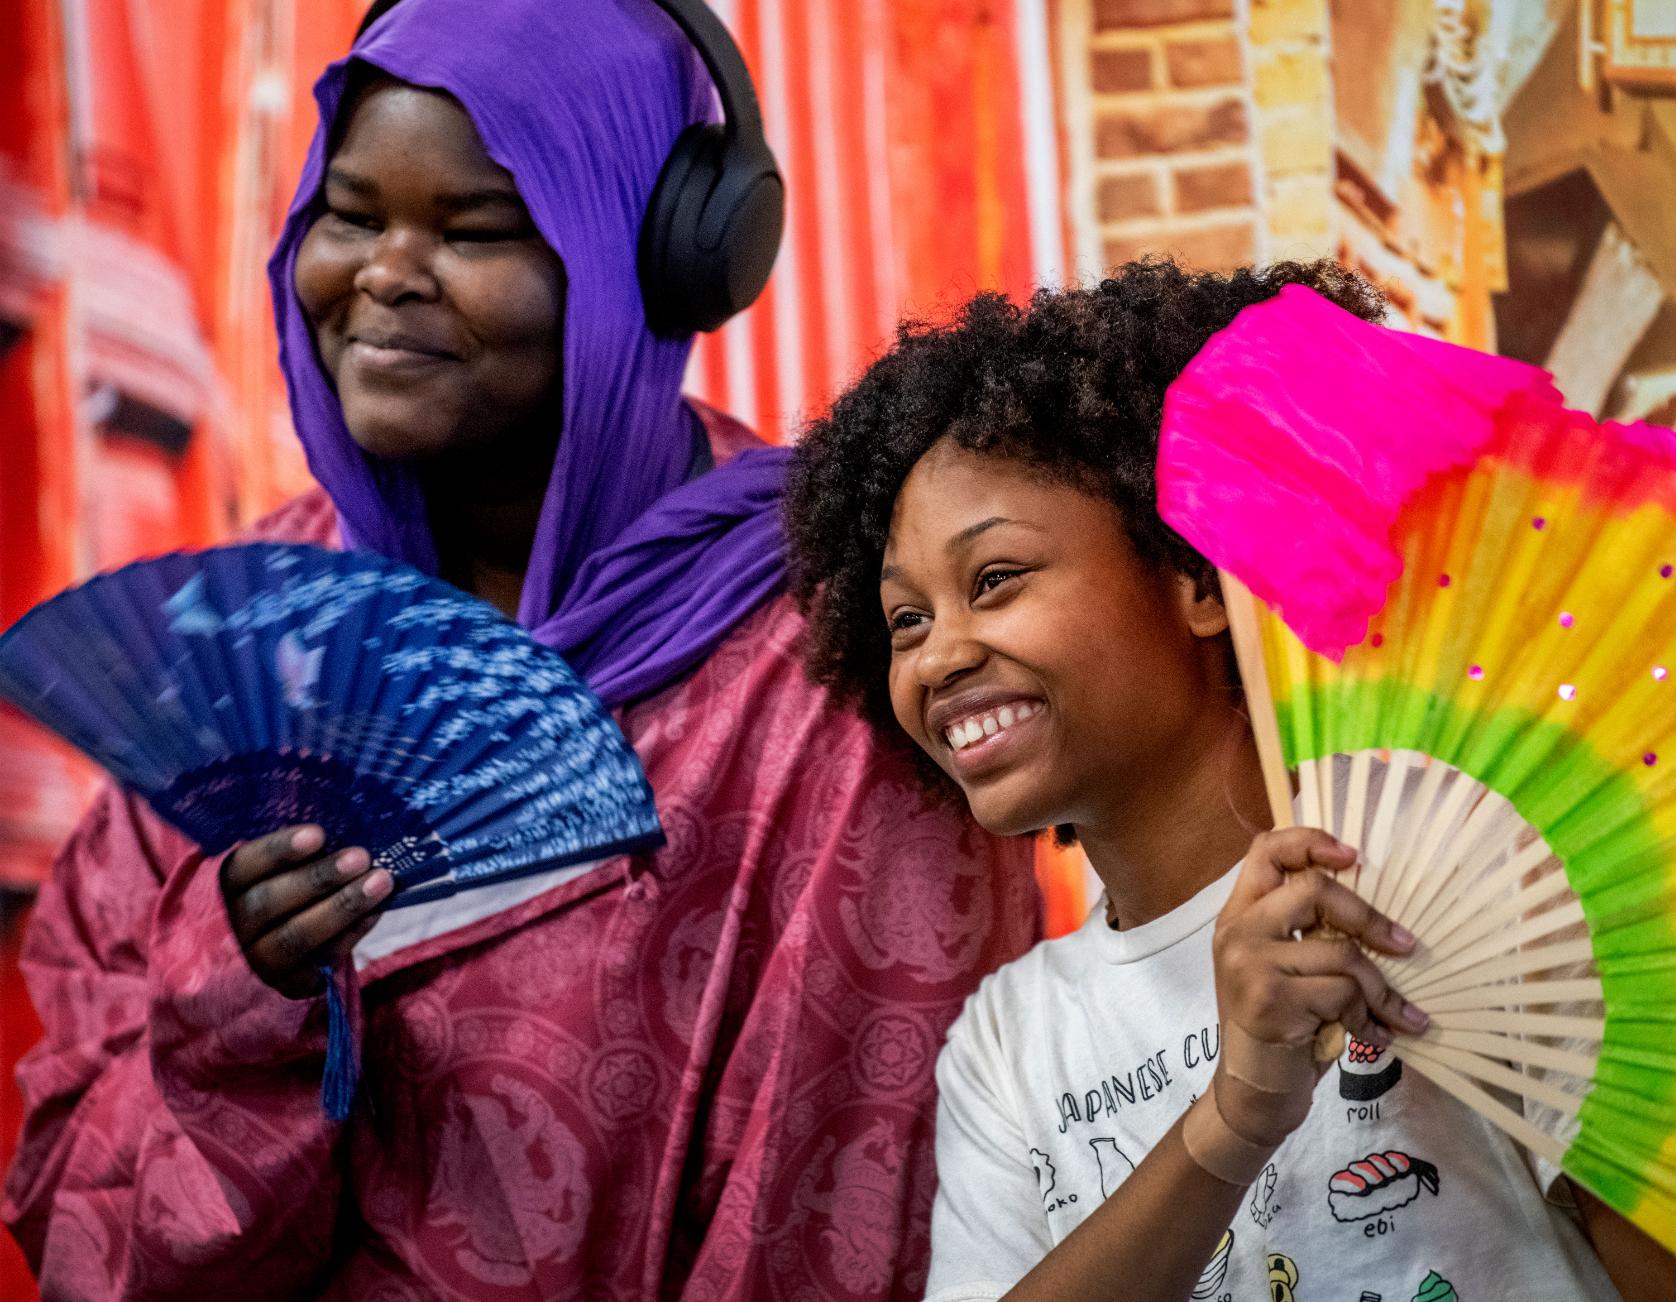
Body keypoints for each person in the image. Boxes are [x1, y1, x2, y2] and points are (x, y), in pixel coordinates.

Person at [1, 2, 1036, 1298]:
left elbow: (853, 1201)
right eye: (351, 214)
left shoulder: (836, 655)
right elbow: (74, 1215)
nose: (383, 271)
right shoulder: (244, 647)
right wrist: (238, 996)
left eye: (475, 228)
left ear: (652, 263)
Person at [784, 258, 1676, 1301]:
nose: (937, 656)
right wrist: (1233, 1118)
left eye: (993, 580)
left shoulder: (1455, 869)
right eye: (904, 620)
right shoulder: (1008, 1043)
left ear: (1195, 576)